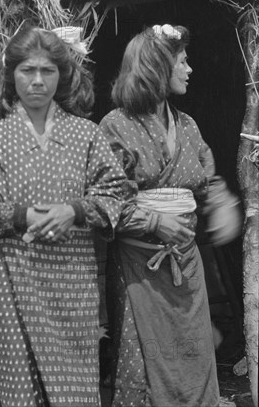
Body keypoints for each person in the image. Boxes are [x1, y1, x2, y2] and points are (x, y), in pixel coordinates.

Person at [0, 25, 128, 407]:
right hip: (13, 281)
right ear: (11, 75)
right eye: (27, 70)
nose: (37, 81)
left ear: (61, 75)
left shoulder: (86, 135)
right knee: (19, 394)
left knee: (76, 393)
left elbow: (116, 193)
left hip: (71, 287)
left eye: (47, 71)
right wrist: (20, 215)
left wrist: (75, 210)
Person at [99, 24, 241, 407]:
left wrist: (220, 203)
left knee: (193, 357)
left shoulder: (189, 127)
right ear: (158, 68)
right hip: (139, 267)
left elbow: (208, 180)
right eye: (182, 60)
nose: (189, 68)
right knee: (143, 360)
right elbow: (103, 202)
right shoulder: (116, 126)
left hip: (186, 269)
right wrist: (155, 221)